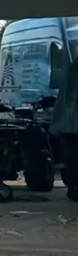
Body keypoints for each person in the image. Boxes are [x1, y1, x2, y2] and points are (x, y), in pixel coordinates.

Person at [49, 40, 78, 201]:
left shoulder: (74, 67)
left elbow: (66, 97)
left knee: (72, 160)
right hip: (72, 125)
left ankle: (74, 189)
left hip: (70, 126)